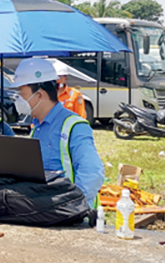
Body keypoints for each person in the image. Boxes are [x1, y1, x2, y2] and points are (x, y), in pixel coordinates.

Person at [11, 57, 104, 207]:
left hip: (73, 218)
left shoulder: (74, 126)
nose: (18, 100)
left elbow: (93, 173)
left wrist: (74, 207)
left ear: (40, 95)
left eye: (22, 94)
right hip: (46, 212)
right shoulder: (36, 128)